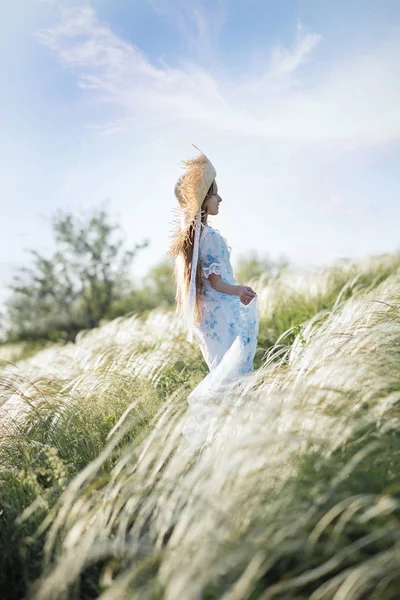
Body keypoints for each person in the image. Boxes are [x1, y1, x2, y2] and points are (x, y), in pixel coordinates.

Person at [167, 145, 259, 447]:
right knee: (232, 375)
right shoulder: (209, 237)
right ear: (204, 201)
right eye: (215, 194)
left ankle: (226, 437)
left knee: (225, 371)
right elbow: (217, 282)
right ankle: (231, 437)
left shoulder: (198, 238)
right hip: (222, 314)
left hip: (210, 319)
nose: (220, 199)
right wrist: (240, 290)